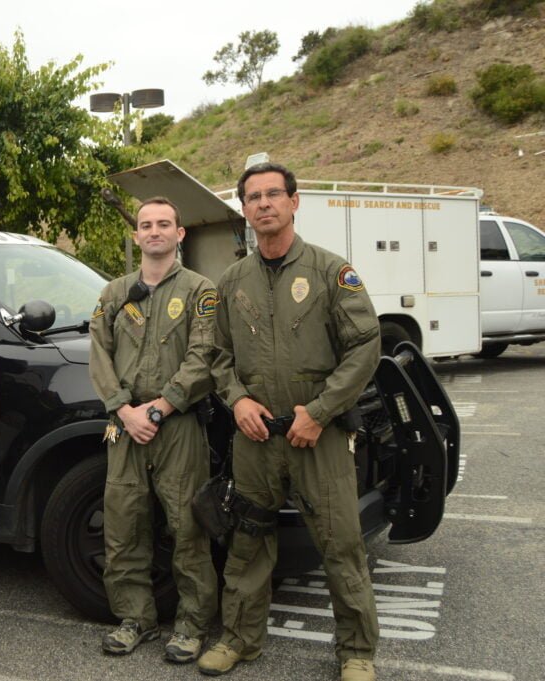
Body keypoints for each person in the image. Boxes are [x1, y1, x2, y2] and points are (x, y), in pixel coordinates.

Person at [198, 163, 380, 681]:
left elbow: (365, 347)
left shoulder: (330, 272)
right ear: (245, 210)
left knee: (341, 545)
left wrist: (320, 412)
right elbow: (216, 354)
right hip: (255, 438)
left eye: (273, 194)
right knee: (248, 540)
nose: (263, 204)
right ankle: (238, 639)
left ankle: (356, 652)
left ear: (294, 202)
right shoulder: (231, 281)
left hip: (316, 437)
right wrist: (236, 401)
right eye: (252, 197)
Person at [89, 197, 219, 663]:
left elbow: (204, 358)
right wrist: (124, 411)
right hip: (124, 428)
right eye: (146, 225)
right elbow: (99, 356)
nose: (155, 231)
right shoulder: (114, 293)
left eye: (165, 223)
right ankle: (135, 619)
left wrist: (160, 409)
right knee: (124, 525)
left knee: (188, 528)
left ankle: (191, 625)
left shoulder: (202, 290)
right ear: (136, 235)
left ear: (180, 234)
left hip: (178, 426)